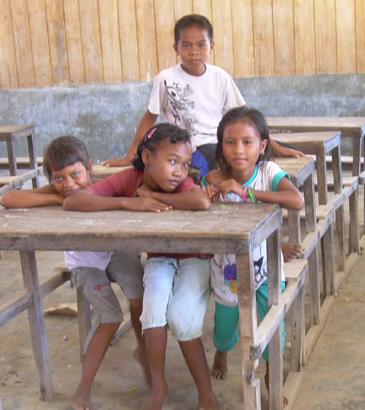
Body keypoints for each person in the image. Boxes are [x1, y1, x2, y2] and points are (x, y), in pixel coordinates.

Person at [103, 13, 304, 260]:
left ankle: (263, 240)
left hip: (220, 142)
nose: (194, 52)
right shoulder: (165, 79)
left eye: (201, 45)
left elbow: (247, 122)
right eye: (186, 45)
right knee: (217, 185)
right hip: (188, 147)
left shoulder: (220, 77)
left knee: (251, 171)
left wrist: (276, 147)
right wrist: (129, 156)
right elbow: (149, 117)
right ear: (175, 48)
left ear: (212, 46)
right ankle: (234, 242)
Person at [64, 124, 221, 410]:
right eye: (172, 161)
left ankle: (208, 401)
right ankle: (158, 389)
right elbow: (74, 201)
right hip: (160, 259)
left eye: (184, 164)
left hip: (194, 258)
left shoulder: (181, 183)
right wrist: (128, 201)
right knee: (151, 313)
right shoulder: (129, 179)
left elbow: (200, 201)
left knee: (181, 318)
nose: (179, 171)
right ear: (147, 157)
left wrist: (151, 196)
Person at [0, 136, 149, 410]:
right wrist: (60, 199)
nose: (68, 183)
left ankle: (143, 351)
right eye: (59, 178)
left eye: (75, 174)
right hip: (84, 262)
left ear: (89, 167)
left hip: (115, 252)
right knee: (110, 317)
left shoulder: (104, 185)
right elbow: (8, 199)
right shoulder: (62, 192)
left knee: (140, 296)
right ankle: (82, 390)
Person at [202, 107, 304, 391]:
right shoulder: (212, 179)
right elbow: (197, 208)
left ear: (262, 146)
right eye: (230, 142)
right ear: (221, 146)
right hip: (227, 268)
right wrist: (206, 196)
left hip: (267, 266)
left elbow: (296, 201)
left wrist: (245, 191)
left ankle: (272, 371)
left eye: (247, 142)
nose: (238, 149)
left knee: (272, 321)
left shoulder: (268, 172)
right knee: (225, 323)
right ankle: (223, 350)